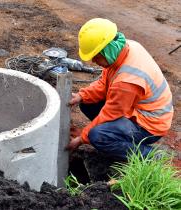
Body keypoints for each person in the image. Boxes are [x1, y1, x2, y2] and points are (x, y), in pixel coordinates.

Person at [67, 18, 173, 159]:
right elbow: (104, 83)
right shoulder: (126, 47)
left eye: (96, 56)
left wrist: (82, 138)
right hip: (138, 108)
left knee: (97, 136)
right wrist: (81, 95)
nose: (94, 61)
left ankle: (151, 156)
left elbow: (111, 113)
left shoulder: (127, 81)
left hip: (150, 126)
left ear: (107, 50)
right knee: (87, 102)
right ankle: (114, 133)